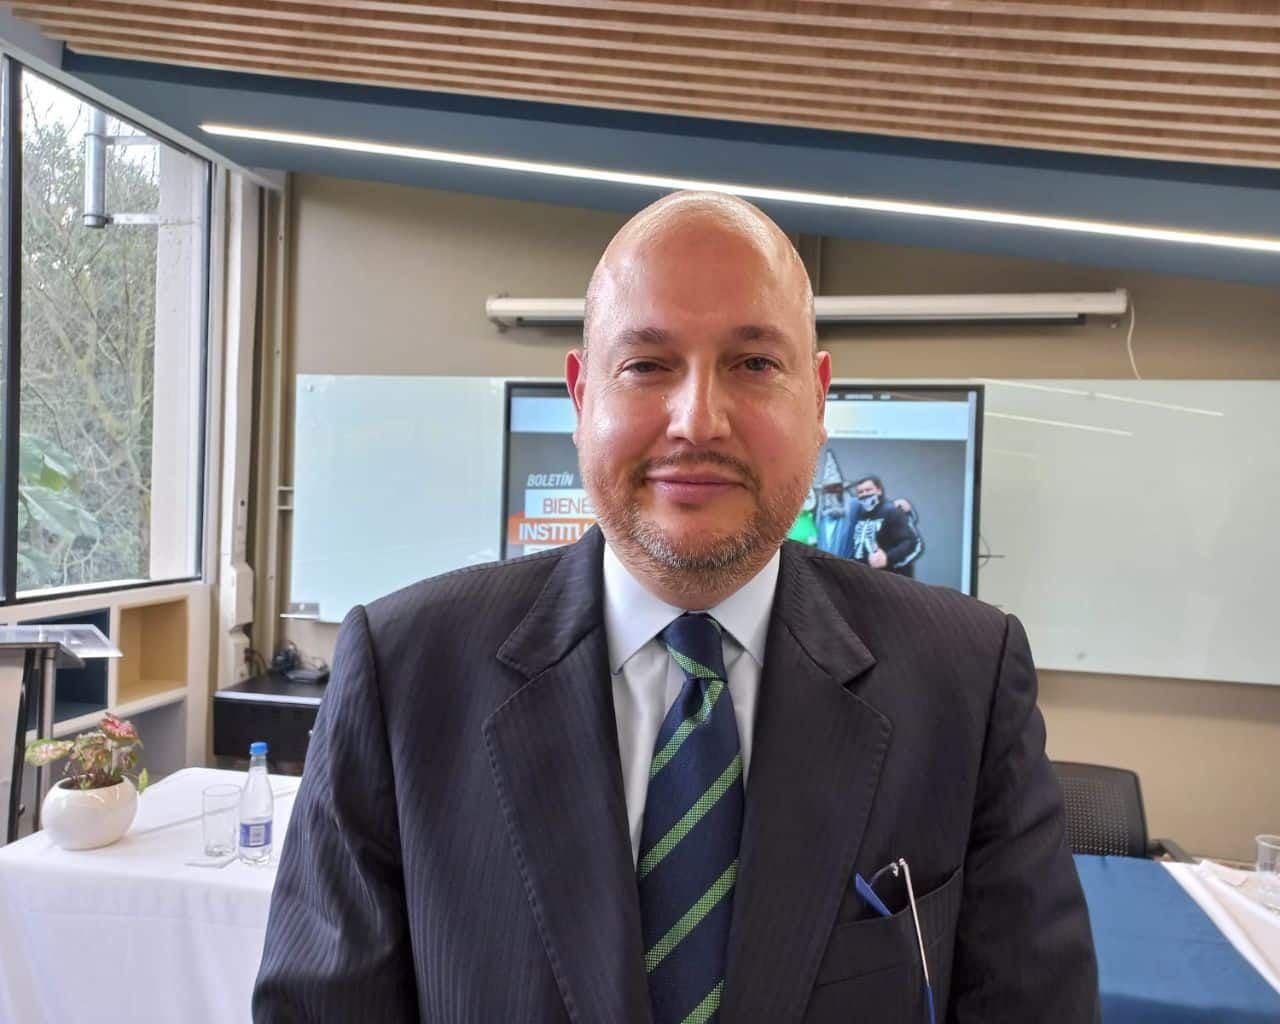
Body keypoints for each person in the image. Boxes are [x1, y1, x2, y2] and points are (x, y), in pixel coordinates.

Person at [254, 192, 1098, 1023]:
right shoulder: (404, 675)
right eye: (648, 365)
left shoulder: (966, 682)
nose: (698, 421)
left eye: (754, 364)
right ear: (582, 398)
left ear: (817, 400)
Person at [848, 475, 923, 578]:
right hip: (863, 577)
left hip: (889, 579)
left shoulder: (892, 511)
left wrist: (888, 558)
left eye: (868, 490)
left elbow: (913, 543)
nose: (864, 494)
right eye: (860, 492)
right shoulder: (859, 514)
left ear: (879, 491)